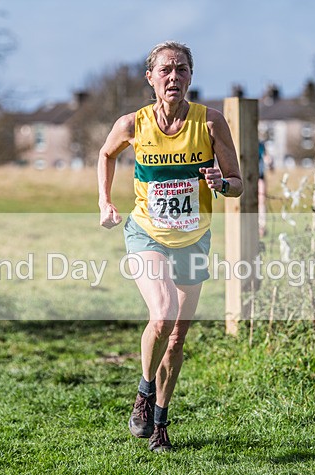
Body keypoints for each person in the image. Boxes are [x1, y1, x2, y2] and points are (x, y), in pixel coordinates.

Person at [97, 41, 243, 452]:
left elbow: (237, 182)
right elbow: (105, 155)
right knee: (162, 314)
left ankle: (160, 422)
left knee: (177, 339)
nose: (173, 77)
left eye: (180, 70)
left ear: (191, 76)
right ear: (151, 78)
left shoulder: (211, 123)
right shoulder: (132, 124)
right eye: (165, 70)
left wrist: (222, 185)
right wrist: (105, 201)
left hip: (194, 238)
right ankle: (143, 394)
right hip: (146, 232)